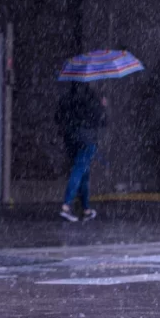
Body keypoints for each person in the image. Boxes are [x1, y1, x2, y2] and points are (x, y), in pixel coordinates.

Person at [55, 82, 106, 222]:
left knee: (84, 173)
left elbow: (57, 118)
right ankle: (66, 205)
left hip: (71, 139)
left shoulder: (67, 98)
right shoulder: (93, 98)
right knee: (79, 170)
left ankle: (86, 208)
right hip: (87, 139)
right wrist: (103, 106)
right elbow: (102, 121)